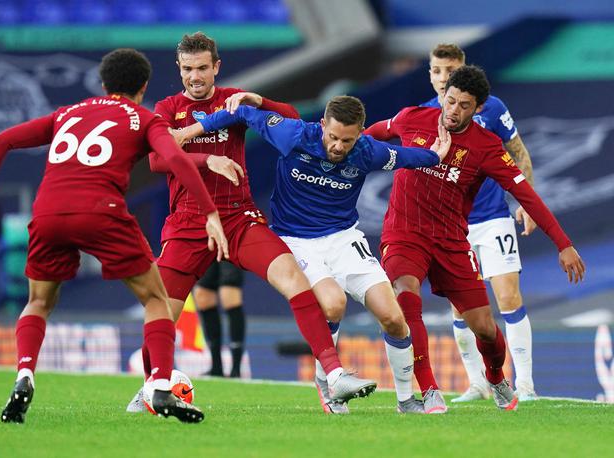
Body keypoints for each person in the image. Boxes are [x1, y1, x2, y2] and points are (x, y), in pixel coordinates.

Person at [0, 48, 229, 424]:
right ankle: (160, 387)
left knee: (38, 302)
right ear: (143, 87)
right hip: (101, 211)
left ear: (102, 83)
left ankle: (24, 375)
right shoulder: (145, 119)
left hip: (48, 211)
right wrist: (210, 212)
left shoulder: (68, 113)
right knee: (156, 299)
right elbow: (175, 160)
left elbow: (0, 141)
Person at [127, 32, 377, 413]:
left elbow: (291, 119)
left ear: (216, 67)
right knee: (161, 310)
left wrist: (257, 99)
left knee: (294, 277)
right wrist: (206, 160)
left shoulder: (233, 102)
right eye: (188, 69)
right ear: (179, 69)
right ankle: (152, 386)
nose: (195, 76)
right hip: (188, 222)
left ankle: (333, 376)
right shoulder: (167, 108)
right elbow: (158, 161)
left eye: (202, 68)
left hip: (238, 218)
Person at [173, 95, 451, 414]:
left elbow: (406, 156)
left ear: (360, 134)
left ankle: (406, 400)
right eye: (332, 137)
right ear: (322, 126)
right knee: (334, 303)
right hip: (296, 239)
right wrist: (188, 132)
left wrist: (434, 155)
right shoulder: (293, 134)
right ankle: (329, 385)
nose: (337, 146)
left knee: (392, 316)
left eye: (346, 140)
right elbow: (244, 113)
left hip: (344, 238)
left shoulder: (368, 152)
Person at [364, 65, 585, 413]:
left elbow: (525, 194)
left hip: (451, 240)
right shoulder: (412, 118)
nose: (453, 111)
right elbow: (370, 134)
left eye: (463, 105)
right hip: (404, 233)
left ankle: (496, 377)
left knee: (484, 328)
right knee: (405, 294)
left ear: (478, 108)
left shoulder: (486, 147)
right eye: (450, 101)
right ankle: (430, 390)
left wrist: (563, 243)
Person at [423, 44, 538, 403]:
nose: (445, 78)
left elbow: (518, 151)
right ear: (430, 74)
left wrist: (527, 200)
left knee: (508, 297)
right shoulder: (423, 115)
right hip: (451, 226)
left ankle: (526, 387)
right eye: (438, 70)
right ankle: (477, 384)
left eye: (451, 70)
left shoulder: (492, 108)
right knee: (461, 308)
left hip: (492, 218)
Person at [193, 261, 246, 378]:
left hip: (228, 244)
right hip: (206, 244)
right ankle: (216, 367)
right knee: (202, 295)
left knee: (229, 294)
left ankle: (236, 369)